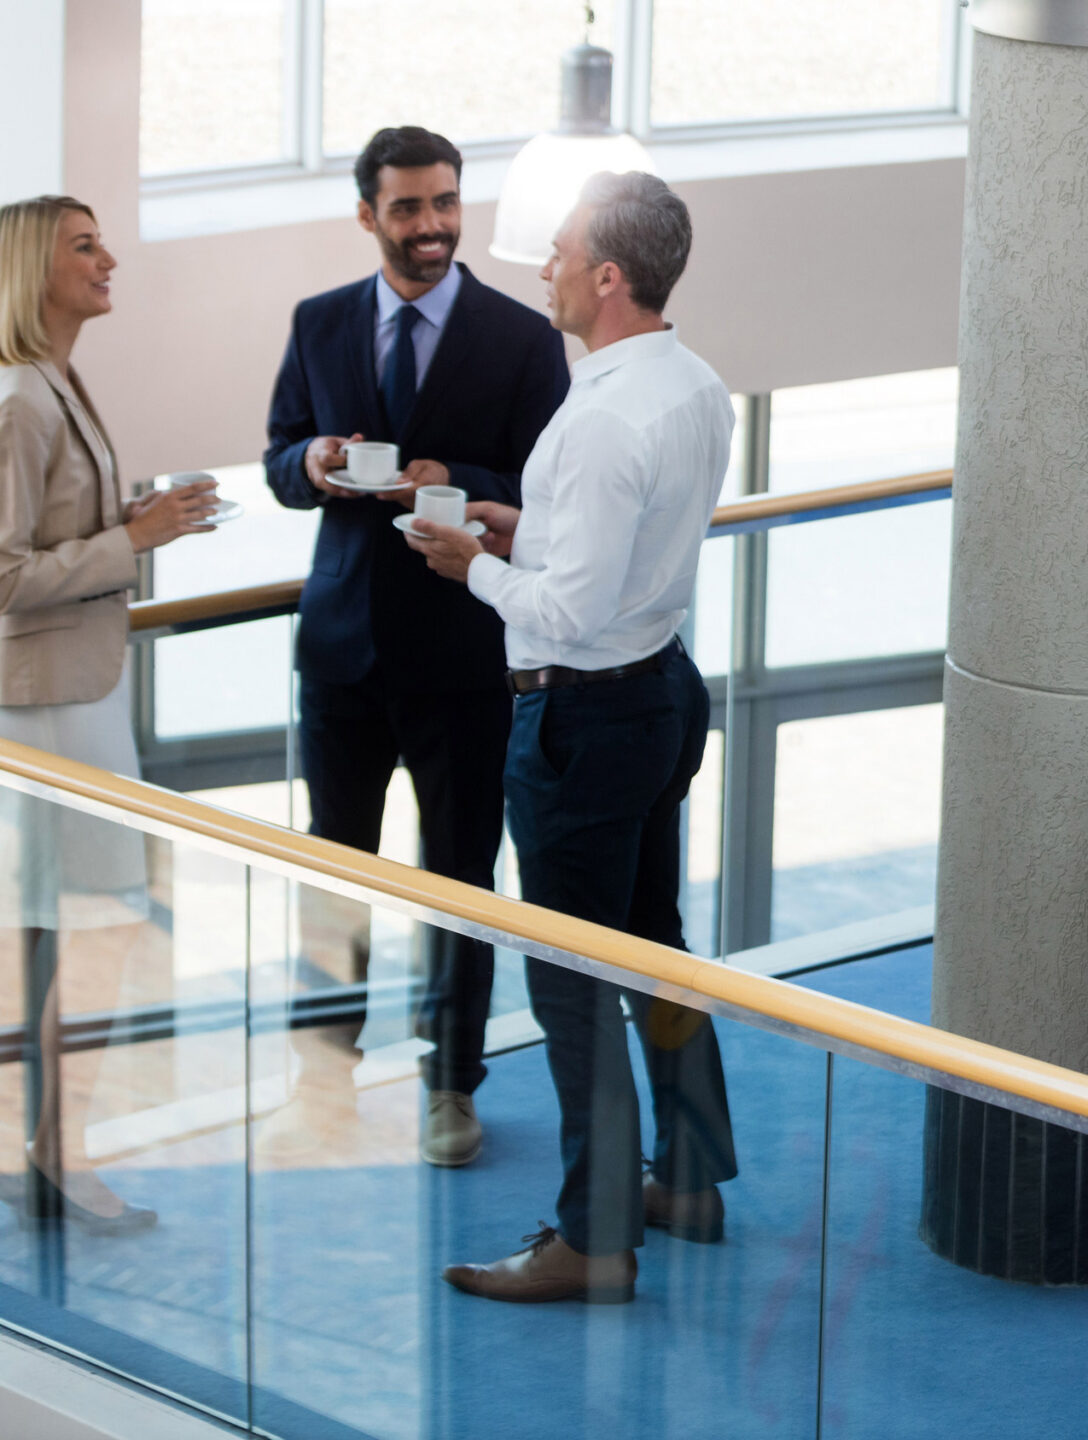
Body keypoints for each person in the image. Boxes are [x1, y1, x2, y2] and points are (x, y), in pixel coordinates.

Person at [408, 172, 735, 1304]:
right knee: (654, 948)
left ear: (606, 277)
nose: (535, 268)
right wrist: (525, 524)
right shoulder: (691, 385)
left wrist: (474, 563)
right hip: (659, 692)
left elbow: (567, 615)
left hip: (584, 718)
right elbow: (624, 549)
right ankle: (688, 1177)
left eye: (553, 253)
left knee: (574, 985)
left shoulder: (599, 417)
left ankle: (594, 1240)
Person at [261, 126, 571, 1168]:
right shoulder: (317, 322)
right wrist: (313, 457)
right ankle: (324, 1075)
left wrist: (456, 470)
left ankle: (452, 1084)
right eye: (409, 208)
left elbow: (547, 490)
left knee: (459, 878)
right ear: (368, 215)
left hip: (464, 652)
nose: (432, 226)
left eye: (445, 203)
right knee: (331, 870)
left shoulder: (523, 339)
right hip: (342, 651)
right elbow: (276, 460)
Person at [0, 195, 218, 1231]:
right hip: (49, 711)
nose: (110, 258)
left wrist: (138, 528)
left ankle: (55, 1149)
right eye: (85, 246)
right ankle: (60, 1155)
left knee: (66, 937)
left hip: (74, 696)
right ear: (34, 267)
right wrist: (135, 539)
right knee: (90, 931)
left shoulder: (55, 382)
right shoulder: (21, 400)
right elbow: (3, 577)